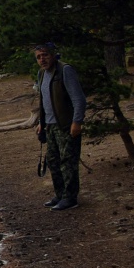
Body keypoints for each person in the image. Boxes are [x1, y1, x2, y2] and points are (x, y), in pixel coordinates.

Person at [32, 42, 86, 211]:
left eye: (45, 55)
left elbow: (79, 99)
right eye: (39, 57)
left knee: (68, 161)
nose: (42, 59)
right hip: (50, 126)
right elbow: (44, 101)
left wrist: (76, 122)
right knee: (53, 161)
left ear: (53, 55)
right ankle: (60, 194)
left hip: (66, 124)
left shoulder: (65, 70)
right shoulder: (42, 74)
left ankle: (70, 198)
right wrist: (42, 123)